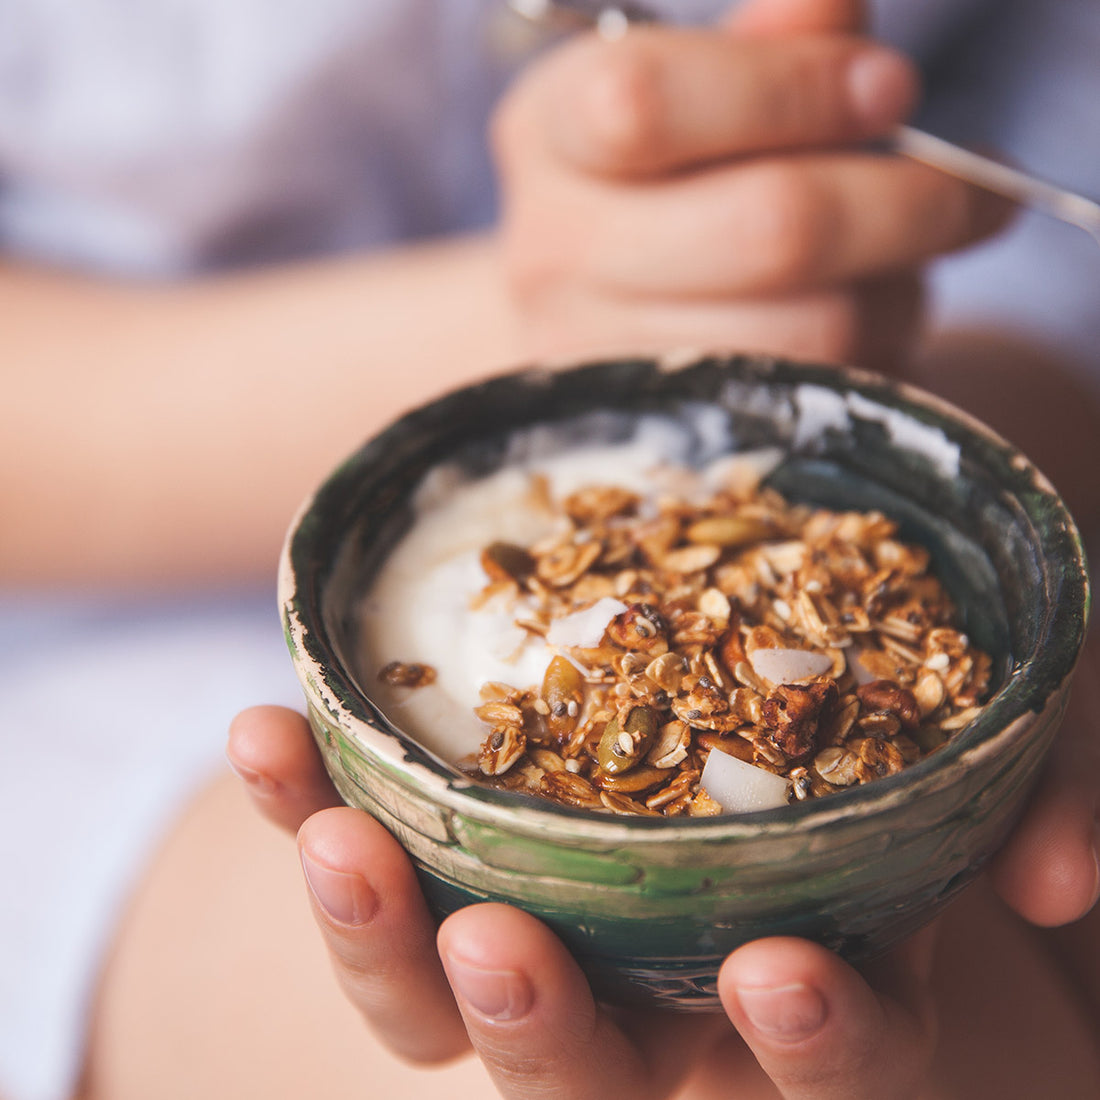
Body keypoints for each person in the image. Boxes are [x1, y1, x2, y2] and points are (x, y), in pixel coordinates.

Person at [0, 0, 1097, 1098]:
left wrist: (989, 468)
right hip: (96, 620)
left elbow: (1045, 162)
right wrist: (526, 325)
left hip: (904, 429)